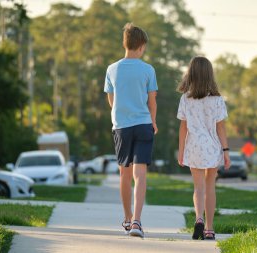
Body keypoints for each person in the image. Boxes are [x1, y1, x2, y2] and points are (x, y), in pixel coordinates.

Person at [104, 23, 158, 238]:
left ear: (124, 44)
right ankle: (137, 221)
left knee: (124, 174)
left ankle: (127, 219)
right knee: (140, 174)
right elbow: (152, 101)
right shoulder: (148, 70)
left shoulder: (112, 69)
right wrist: (153, 121)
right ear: (142, 46)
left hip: (121, 126)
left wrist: (122, 113)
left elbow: (111, 100)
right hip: (144, 124)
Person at [177, 56, 230, 240]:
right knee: (210, 187)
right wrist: (226, 151)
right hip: (212, 147)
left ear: (190, 74)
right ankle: (209, 228)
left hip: (193, 146)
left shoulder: (185, 98)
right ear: (210, 75)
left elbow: (183, 127)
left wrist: (181, 151)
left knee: (197, 187)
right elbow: (220, 127)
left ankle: (198, 218)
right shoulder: (217, 100)